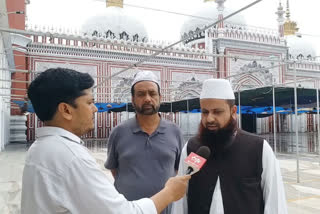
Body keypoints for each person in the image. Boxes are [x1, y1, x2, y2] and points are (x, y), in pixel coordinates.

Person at [21, 68, 190, 214]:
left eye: (152, 93)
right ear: (66, 109)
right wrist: (169, 193)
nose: (95, 109)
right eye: (89, 102)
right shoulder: (72, 158)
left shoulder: (40, 148)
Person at [172, 79, 288, 214]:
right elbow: (180, 201)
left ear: (233, 111)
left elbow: (275, 203)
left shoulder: (259, 148)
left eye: (217, 112)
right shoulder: (192, 148)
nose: (209, 119)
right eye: (205, 112)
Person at [105, 70, 184, 214]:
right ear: (133, 99)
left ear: (160, 97)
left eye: (152, 93)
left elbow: (177, 169)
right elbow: (114, 170)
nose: (147, 99)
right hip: (128, 209)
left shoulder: (175, 132)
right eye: (141, 94)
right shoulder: (118, 132)